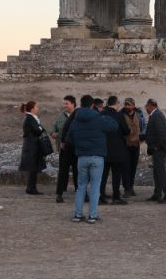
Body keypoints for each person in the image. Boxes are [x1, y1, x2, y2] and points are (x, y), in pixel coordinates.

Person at [65, 95, 116, 223]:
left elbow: (69, 139)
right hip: (97, 156)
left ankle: (78, 214)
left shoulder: (76, 120)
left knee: (81, 186)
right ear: (92, 105)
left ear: (80, 105)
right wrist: (104, 114)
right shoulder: (98, 118)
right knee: (95, 186)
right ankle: (92, 215)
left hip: (82, 157)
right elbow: (114, 126)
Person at [99, 95, 130, 204]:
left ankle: (100, 196)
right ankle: (116, 197)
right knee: (116, 175)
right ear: (116, 103)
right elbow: (126, 131)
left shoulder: (101, 114)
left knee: (102, 175)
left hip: (103, 149)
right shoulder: (119, 116)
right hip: (117, 150)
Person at [143, 98, 166, 203]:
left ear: (151, 106)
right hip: (156, 148)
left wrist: (157, 146)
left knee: (160, 171)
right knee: (157, 171)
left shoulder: (157, 116)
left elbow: (161, 133)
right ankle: (157, 193)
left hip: (159, 149)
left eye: (146, 106)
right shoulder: (155, 115)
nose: (146, 109)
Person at [53, 95, 79, 204]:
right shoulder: (61, 116)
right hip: (65, 148)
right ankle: (59, 193)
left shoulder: (78, 115)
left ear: (73, 104)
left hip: (75, 147)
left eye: (67, 103)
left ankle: (79, 192)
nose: (65, 106)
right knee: (63, 171)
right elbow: (55, 128)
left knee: (77, 171)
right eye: (64, 103)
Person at [19, 101, 47, 195]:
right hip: (32, 146)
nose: (38, 108)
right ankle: (31, 188)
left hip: (33, 146)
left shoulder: (30, 118)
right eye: (37, 107)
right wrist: (42, 129)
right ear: (32, 109)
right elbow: (38, 130)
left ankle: (31, 187)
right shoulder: (30, 118)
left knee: (33, 168)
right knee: (33, 168)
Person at [121, 97, 145, 197]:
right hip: (125, 145)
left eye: (129, 104)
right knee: (125, 167)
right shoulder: (121, 115)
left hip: (136, 145)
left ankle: (131, 187)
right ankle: (126, 188)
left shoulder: (139, 115)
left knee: (133, 167)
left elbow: (143, 127)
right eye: (125, 104)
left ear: (133, 106)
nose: (127, 106)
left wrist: (142, 138)